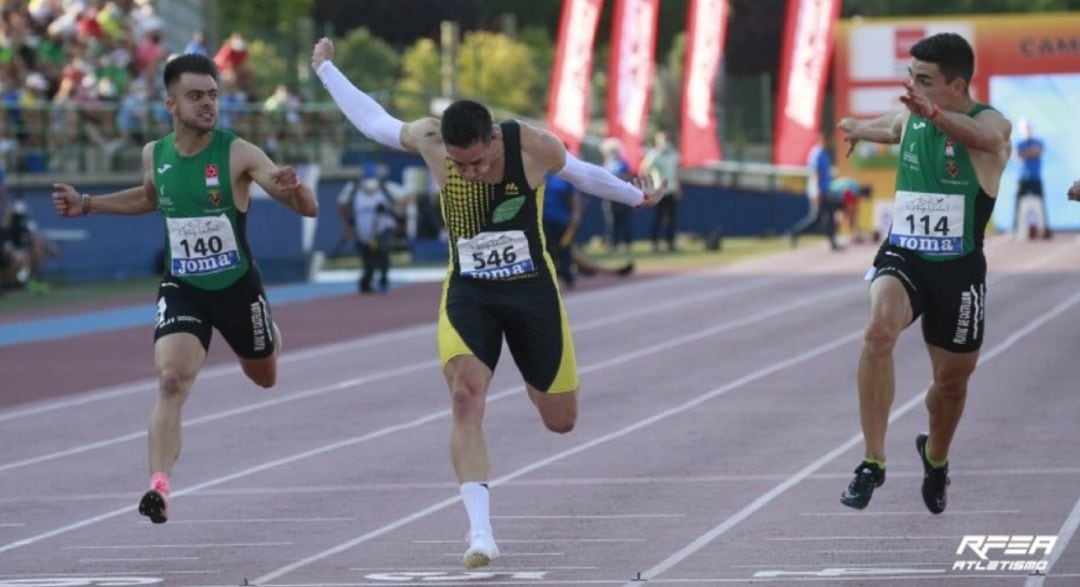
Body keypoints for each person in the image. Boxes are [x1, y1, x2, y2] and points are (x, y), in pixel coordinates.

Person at [312, 37, 664, 569]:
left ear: (493, 138)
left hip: (530, 291)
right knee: (465, 395)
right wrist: (325, 71)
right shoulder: (433, 141)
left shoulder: (535, 146)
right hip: (470, 290)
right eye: (460, 165)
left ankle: (531, 369)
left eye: (476, 162)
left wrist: (637, 196)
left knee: (561, 420)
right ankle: (480, 534)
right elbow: (377, 124)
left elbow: (584, 175)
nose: (469, 172)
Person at [50, 53, 318, 524]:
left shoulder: (238, 152)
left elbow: (308, 208)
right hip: (183, 285)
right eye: (196, 96)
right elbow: (152, 197)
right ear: (170, 103)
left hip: (237, 287)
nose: (208, 104)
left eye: (213, 95)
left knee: (264, 376)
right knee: (172, 380)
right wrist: (88, 203)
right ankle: (159, 487)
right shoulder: (156, 153)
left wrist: (295, 189)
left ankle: (269, 334)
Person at [835, 33, 1010, 514]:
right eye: (910, 75)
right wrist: (856, 127)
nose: (911, 87)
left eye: (924, 80)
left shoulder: (989, 122)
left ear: (956, 85)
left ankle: (935, 459)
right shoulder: (913, 115)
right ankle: (873, 460)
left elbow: (988, 139)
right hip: (905, 255)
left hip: (959, 270)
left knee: (951, 385)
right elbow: (891, 127)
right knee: (878, 331)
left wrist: (934, 116)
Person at [338, 163, 401, 294]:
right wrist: (348, 221)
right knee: (368, 260)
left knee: (383, 251)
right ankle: (366, 281)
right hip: (362, 230)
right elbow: (341, 204)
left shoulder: (386, 187)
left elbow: (407, 198)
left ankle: (384, 277)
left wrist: (392, 211)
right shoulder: (353, 188)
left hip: (383, 228)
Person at [790, 133, 840, 251]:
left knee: (830, 215)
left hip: (825, 191)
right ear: (822, 140)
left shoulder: (825, 154)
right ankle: (795, 232)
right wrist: (817, 192)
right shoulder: (817, 154)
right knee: (816, 218)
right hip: (818, 192)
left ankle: (832, 241)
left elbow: (826, 173)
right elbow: (815, 174)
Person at [641, 131, 681, 253]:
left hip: (671, 190)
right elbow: (643, 169)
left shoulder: (673, 154)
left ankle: (670, 243)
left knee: (672, 219)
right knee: (657, 219)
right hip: (659, 192)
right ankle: (655, 244)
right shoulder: (654, 155)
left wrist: (678, 188)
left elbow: (675, 173)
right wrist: (649, 185)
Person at [1013, 119, 1050, 239]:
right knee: (1018, 204)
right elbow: (1017, 154)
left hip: (1035, 177)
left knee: (1041, 204)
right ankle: (1016, 229)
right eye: (1024, 128)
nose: (1027, 130)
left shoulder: (1038, 142)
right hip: (1023, 178)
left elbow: (1037, 152)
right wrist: (1030, 152)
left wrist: (1025, 153)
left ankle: (1045, 229)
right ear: (1021, 130)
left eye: (1028, 128)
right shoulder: (1019, 143)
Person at [599, 138, 635, 253]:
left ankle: (628, 244)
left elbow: (627, 177)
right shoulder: (606, 164)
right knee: (611, 222)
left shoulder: (623, 163)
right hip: (610, 197)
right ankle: (613, 244)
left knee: (625, 221)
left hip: (622, 196)